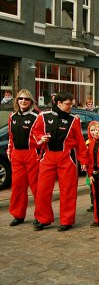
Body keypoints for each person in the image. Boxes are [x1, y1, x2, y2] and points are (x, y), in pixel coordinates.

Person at [32, 92, 88, 231]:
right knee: (42, 190)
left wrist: (84, 161)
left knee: (68, 190)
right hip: (48, 157)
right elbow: (35, 132)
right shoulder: (43, 116)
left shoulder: (74, 120)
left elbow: (80, 142)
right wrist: (41, 138)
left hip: (67, 157)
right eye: (68, 104)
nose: (71, 107)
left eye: (72, 104)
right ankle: (43, 219)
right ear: (59, 103)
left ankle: (67, 220)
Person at [7, 89, 40, 226]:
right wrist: (10, 151)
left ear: (31, 101)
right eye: (20, 98)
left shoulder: (37, 116)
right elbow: (11, 137)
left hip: (32, 153)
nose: (23, 101)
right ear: (17, 100)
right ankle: (18, 215)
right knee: (17, 187)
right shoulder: (12, 116)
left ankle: (40, 215)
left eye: (26, 99)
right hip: (17, 155)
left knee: (37, 187)